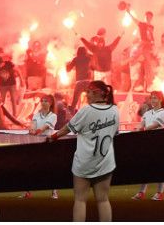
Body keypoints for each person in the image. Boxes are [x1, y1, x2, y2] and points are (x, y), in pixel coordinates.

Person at [52, 79, 118, 223]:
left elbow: (67, 129)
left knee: (80, 200)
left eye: (88, 92)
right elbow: (115, 132)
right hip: (105, 162)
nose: (86, 95)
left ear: (96, 93)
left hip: (84, 162)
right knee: (103, 200)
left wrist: (53, 137)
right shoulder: (114, 110)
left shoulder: (87, 110)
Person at [132, 90, 164, 201]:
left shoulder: (163, 112)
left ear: (161, 99)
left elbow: (154, 126)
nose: (153, 100)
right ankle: (141, 192)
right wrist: (138, 128)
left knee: (159, 168)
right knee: (145, 168)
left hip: (159, 143)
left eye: (155, 98)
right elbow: (142, 124)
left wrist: (142, 129)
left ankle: (160, 193)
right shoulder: (147, 113)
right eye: (152, 98)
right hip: (146, 143)